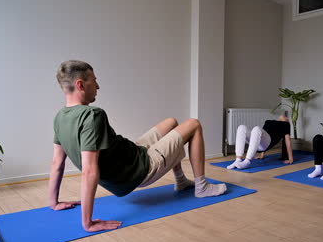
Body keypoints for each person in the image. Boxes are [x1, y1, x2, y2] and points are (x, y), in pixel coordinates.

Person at [48, 60, 227, 233]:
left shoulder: (59, 117)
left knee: (171, 122)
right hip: (140, 169)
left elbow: (57, 163)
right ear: (80, 84)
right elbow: (89, 170)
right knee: (194, 124)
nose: (98, 86)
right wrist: (87, 223)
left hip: (131, 154)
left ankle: (181, 182)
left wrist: (53, 203)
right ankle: (202, 187)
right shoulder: (92, 115)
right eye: (94, 81)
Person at [227, 115, 293, 170]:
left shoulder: (285, 125)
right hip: (257, 142)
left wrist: (290, 159)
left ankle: (247, 161)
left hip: (267, 143)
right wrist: (262, 155)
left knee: (257, 129)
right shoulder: (269, 122)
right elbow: (262, 134)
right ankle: (238, 160)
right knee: (241, 127)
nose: (283, 116)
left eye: (286, 118)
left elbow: (288, 141)